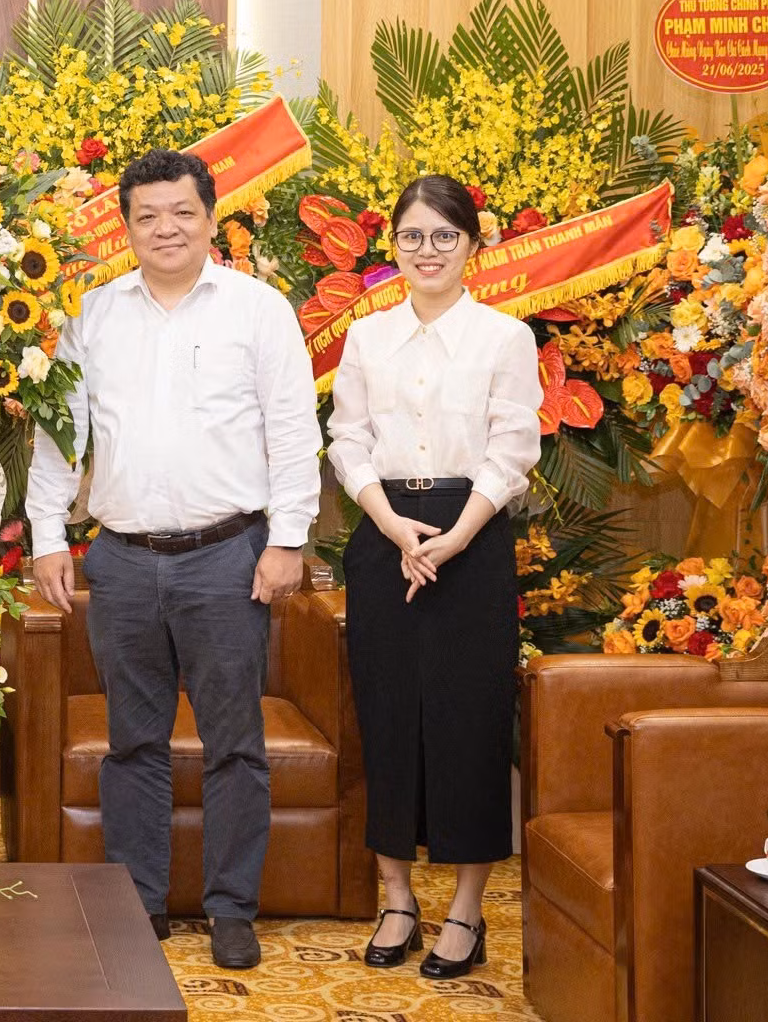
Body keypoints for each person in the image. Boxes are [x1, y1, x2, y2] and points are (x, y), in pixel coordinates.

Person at [28, 148, 321, 969]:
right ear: (125, 227)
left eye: (182, 212)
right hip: (121, 560)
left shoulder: (258, 311)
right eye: (148, 215)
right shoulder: (92, 314)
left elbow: (295, 431)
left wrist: (290, 538)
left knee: (235, 743)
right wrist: (49, 532)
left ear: (211, 218)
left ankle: (233, 909)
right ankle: (138, 905)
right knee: (134, 743)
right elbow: (61, 432)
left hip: (229, 557)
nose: (166, 228)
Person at [326, 174, 541, 978]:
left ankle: (464, 911)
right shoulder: (367, 338)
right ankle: (397, 900)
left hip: (472, 538)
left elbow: (514, 447)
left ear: (474, 247)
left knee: (469, 722)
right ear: (394, 247)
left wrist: (452, 539)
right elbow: (346, 440)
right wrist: (390, 526)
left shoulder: (503, 338)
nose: (428, 251)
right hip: (386, 536)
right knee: (384, 718)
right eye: (412, 236)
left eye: (444, 237)